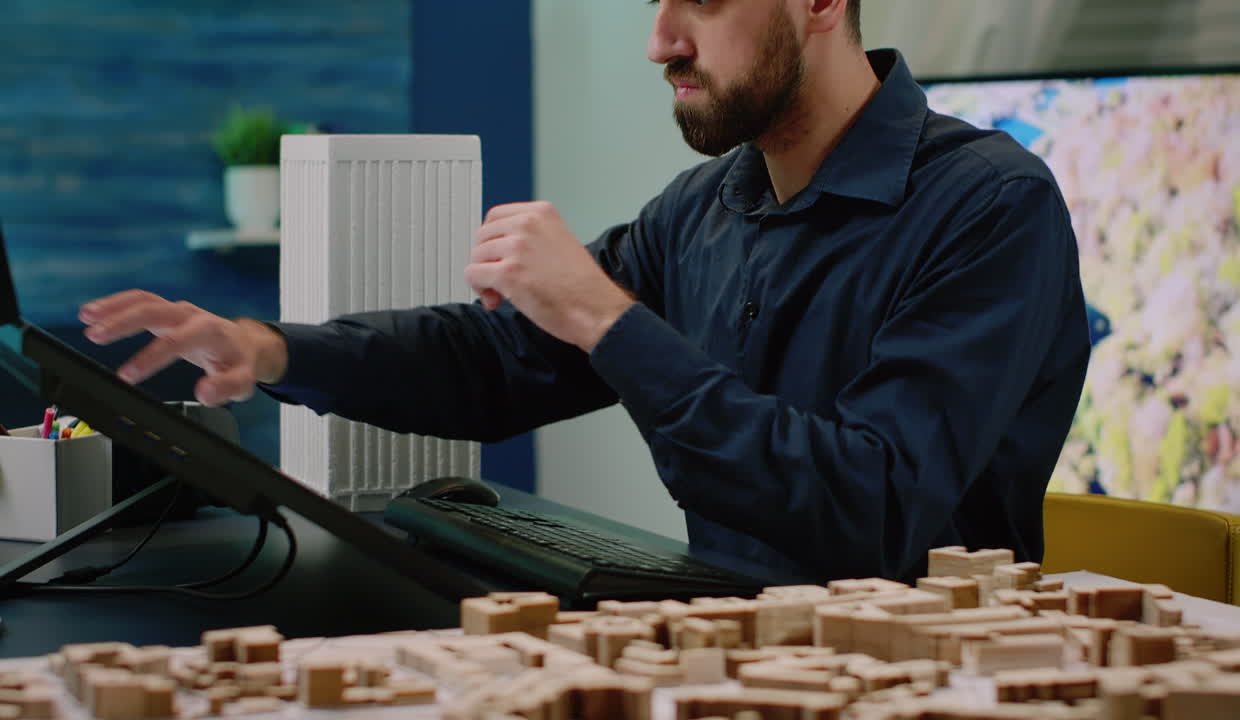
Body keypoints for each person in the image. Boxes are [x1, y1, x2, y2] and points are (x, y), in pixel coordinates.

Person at [79, 0, 1090, 583]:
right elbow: (496, 361)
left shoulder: (988, 207)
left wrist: (607, 319)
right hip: (723, 664)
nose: (659, 40)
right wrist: (270, 349)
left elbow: (868, 510)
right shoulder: (702, 208)